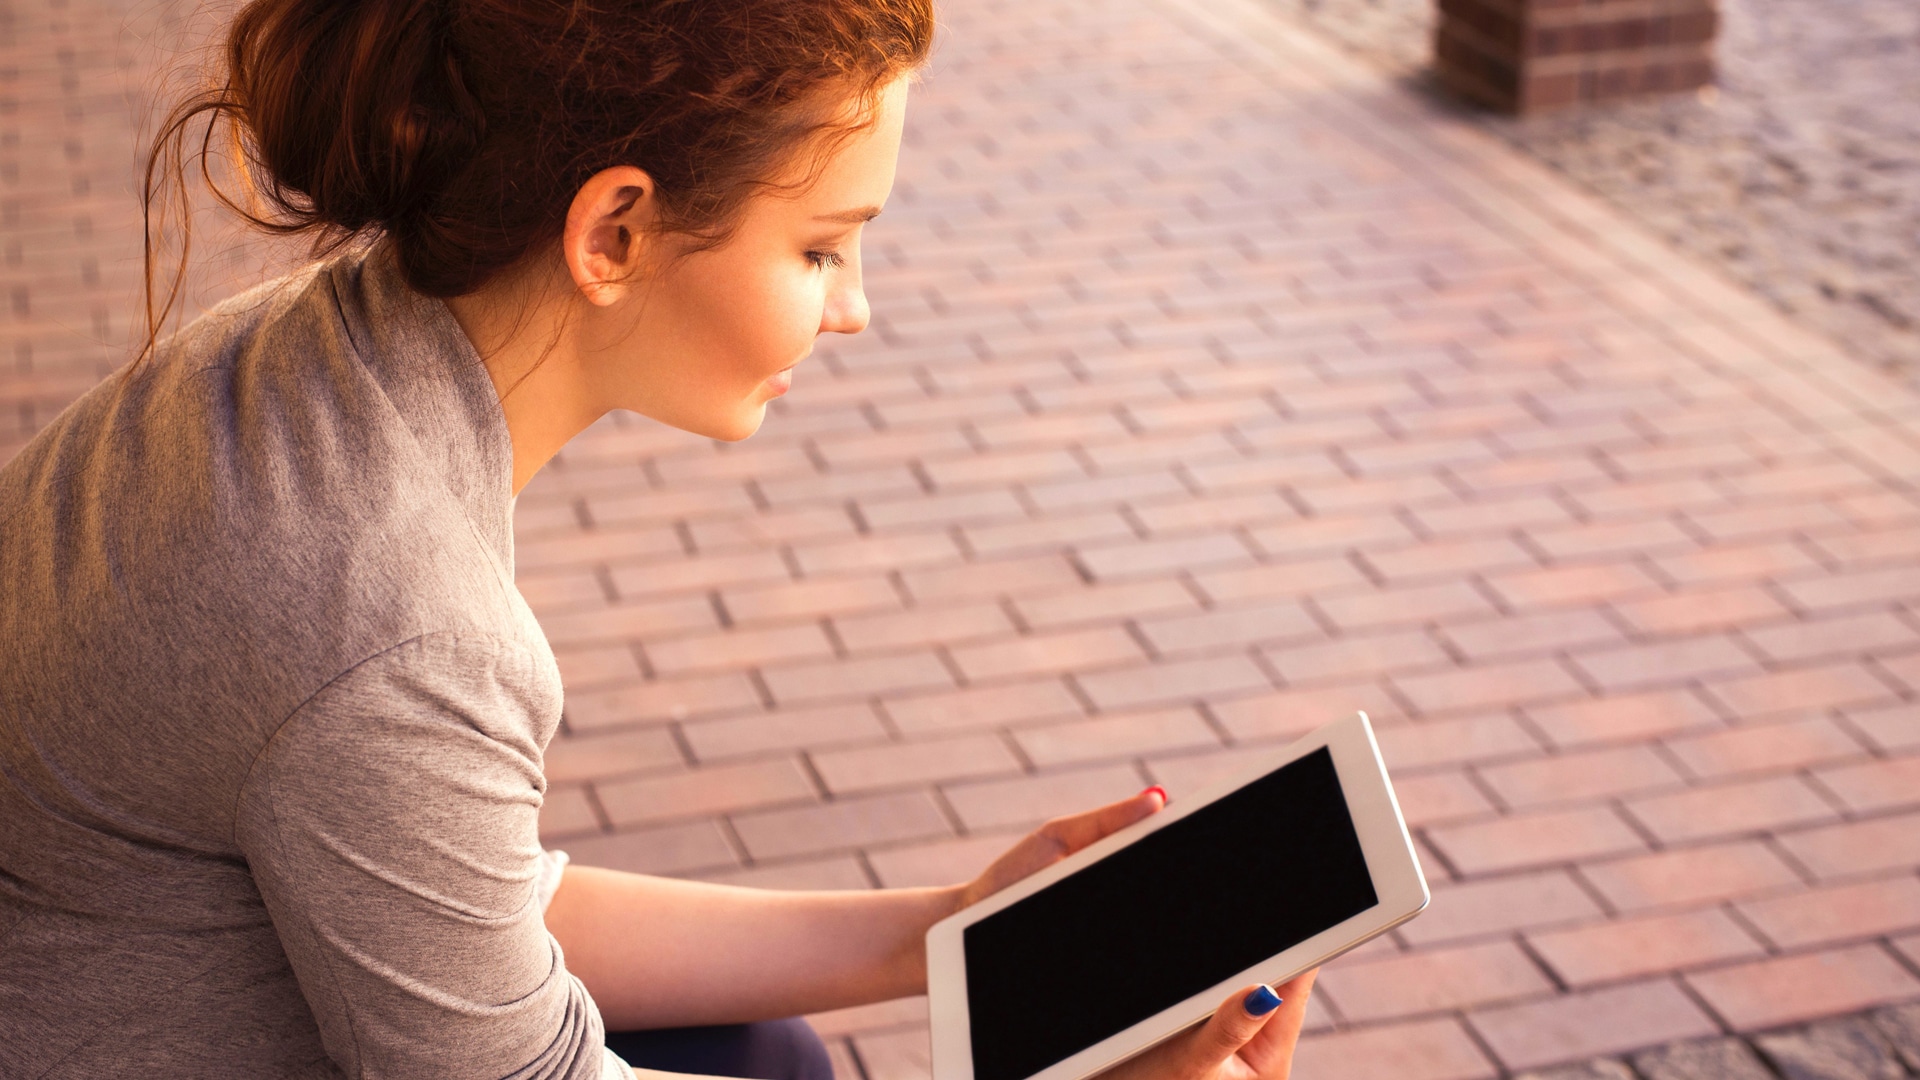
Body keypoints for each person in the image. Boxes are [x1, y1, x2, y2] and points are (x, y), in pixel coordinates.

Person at [0, 0, 1318, 1077]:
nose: (852, 308)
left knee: (765, 1051)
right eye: (822, 247)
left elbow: (472, 899)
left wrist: (952, 930)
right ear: (613, 230)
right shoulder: (393, 624)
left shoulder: (314, 353)